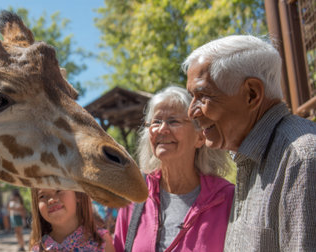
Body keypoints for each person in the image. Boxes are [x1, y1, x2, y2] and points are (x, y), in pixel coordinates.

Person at [183, 35, 316, 251]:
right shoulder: (252, 158)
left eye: (202, 95)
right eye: (191, 96)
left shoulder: (301, 160)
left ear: (252, 94)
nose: (191, 112)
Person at [113, 86, 234, 252]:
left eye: (173, 121)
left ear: (200, 137)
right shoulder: (135, 195)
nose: (162, 129)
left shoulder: (226, 199)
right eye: (156, 122)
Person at [29, 188, 115, 251]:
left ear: (78, 194)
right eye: (42, 196)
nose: (51, 200)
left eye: (59, 190)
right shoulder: (38, 248)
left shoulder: (101, 241)